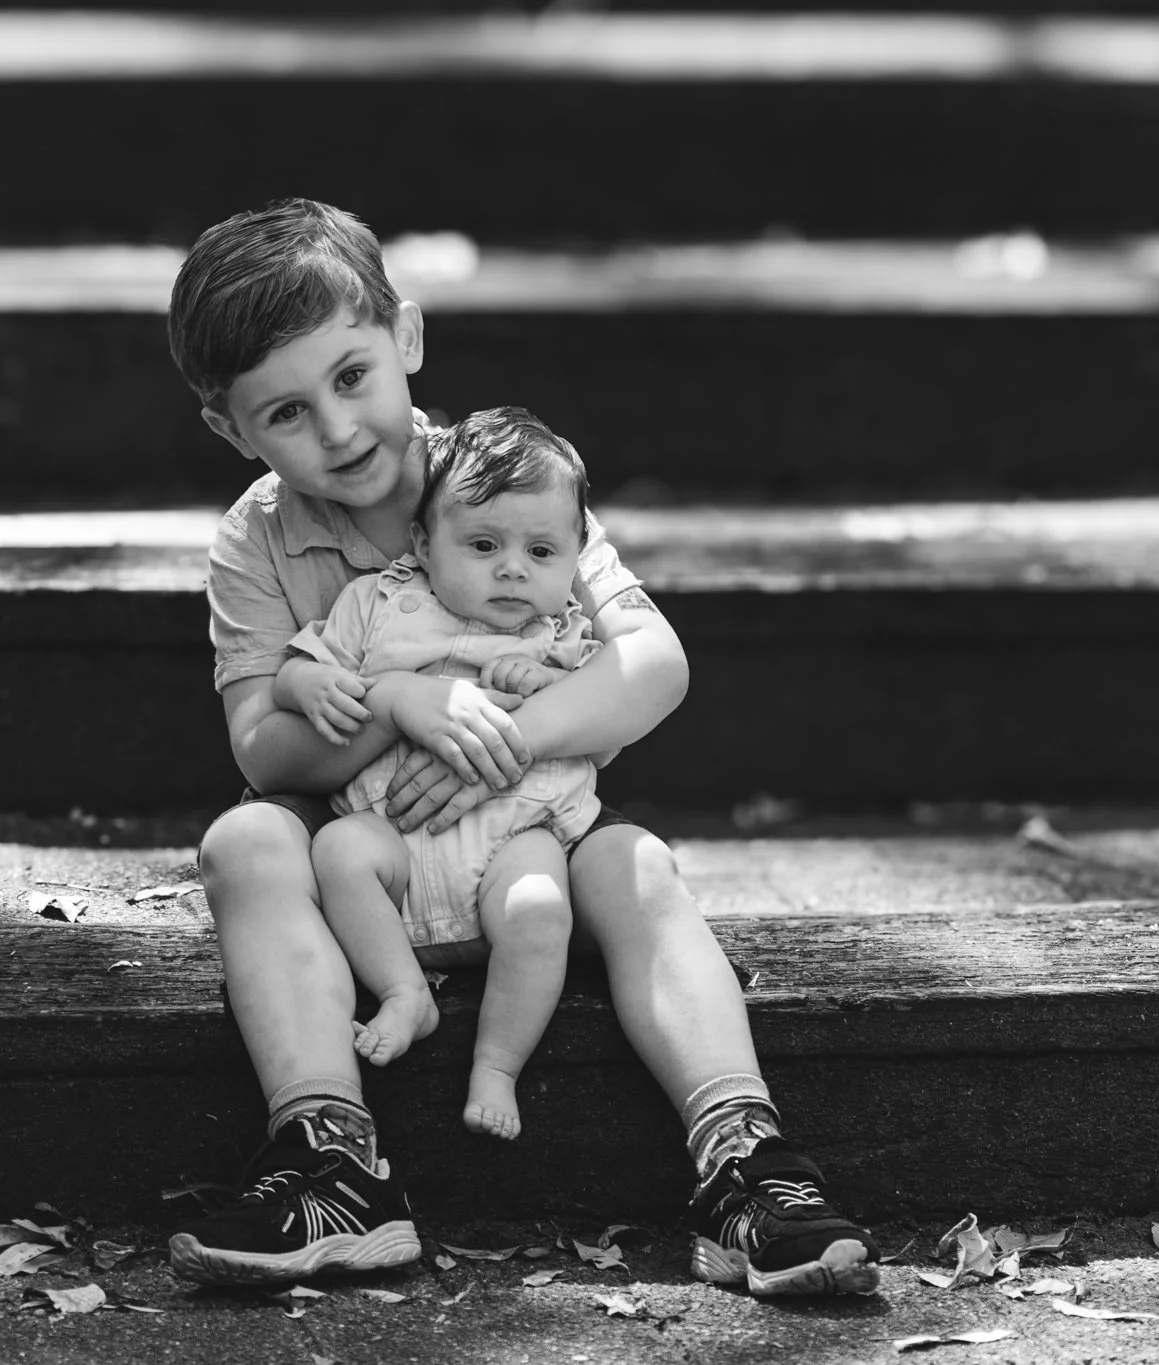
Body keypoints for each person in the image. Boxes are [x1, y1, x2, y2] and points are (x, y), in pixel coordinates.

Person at [163, 198, 880, 1297]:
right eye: (287, 413)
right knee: (245, 841)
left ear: (403, 337)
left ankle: (742, 1165)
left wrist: (500, 742)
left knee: (633, 863)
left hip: (528, 853)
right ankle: (330, 1164)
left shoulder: (502, 478)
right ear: (231, 430)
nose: (339, 430)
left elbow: (652, 665)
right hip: (370, 864)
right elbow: (262, 748)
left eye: (351, 377)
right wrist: (398, 700)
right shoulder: (253, 541)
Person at [278, 406, 603, 1143]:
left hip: (511, 840)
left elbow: (602, 731)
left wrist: (544, 687)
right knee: (339, 850)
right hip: (394, 836)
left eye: (543, 552)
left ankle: (496, 1064)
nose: (514, 568)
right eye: (484, 544)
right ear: (425, 544)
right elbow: (299, 666)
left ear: (577, 556)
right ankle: (403, 988)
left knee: (541, 905)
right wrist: (309, 686)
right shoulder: (377, 602)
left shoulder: (567, 640)